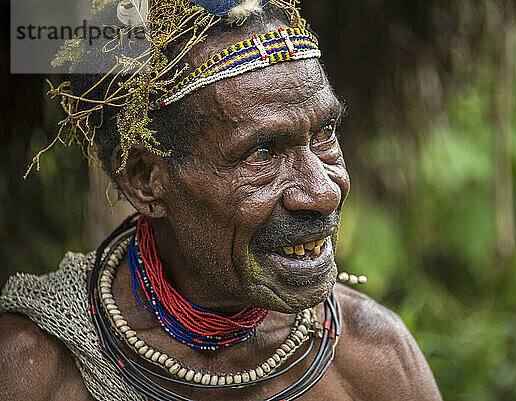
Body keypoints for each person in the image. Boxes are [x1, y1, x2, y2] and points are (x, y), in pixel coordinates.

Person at [0, 1, 442, 399]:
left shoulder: (374, 359)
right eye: (263, 153)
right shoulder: (34, 368)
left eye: (324, 133)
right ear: (146, 180)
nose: (324, 191)